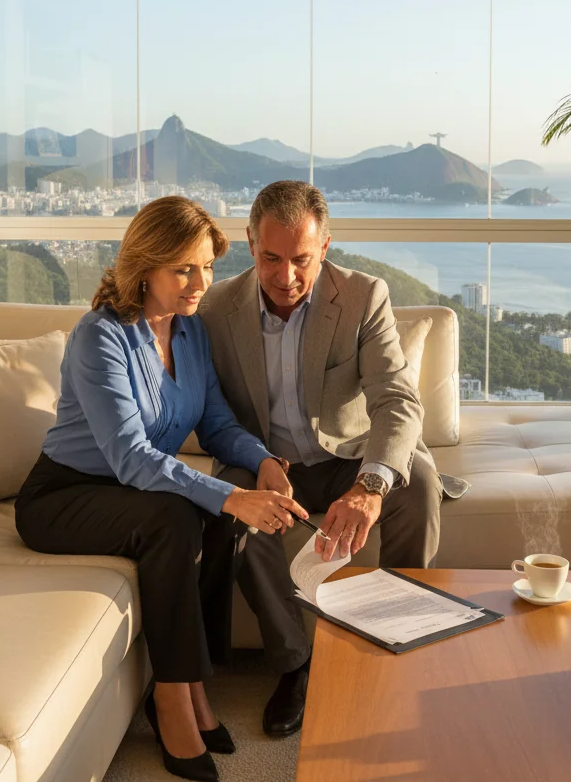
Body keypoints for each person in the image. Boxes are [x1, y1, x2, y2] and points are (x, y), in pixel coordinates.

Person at [15, 196, 308, 782]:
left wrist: (264, 462)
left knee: (214, 513)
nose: (201, 283)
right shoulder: (101, 338)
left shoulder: (192, 333)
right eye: (183, 269)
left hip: (135, 493)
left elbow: (218, 425)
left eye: (206, 267)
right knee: (178, 517)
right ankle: (173, 699)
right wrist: (230, 495)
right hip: (63, 498)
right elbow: (130, 458)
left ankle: (196, 687)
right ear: (143, 266)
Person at [198, 180, 445, 737]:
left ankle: (397, 639)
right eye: (271, 259)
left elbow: (397, 402)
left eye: (301, 260)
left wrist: (371, 487)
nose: (286, 278)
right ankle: (295, 665)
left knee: (419, 486)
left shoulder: (362, 296)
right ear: (249, 243)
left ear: (326, 246)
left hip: (347, 457)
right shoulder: (214, 309)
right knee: (234, 514)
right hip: (264, 460)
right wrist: (258, 459)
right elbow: (211, 415)